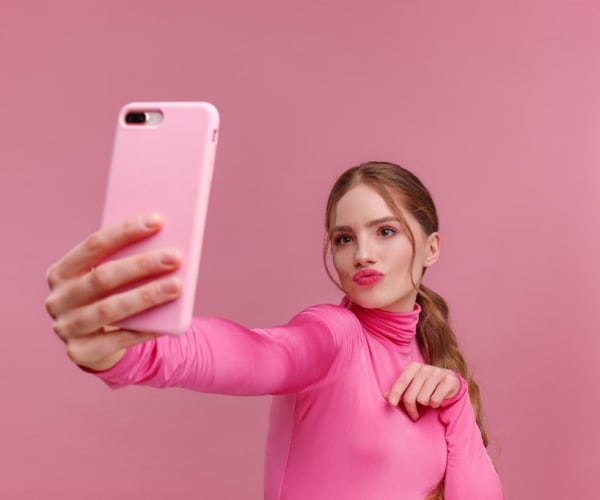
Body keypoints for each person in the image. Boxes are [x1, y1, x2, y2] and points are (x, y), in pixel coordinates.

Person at [45, 161, 503, 499]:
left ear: (431, 247)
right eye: (345, 238)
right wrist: (132, 351)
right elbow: (261, 354)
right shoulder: (333, 336)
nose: (362, 253)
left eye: (386, 232)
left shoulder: (432, 362)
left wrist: (458, 403)